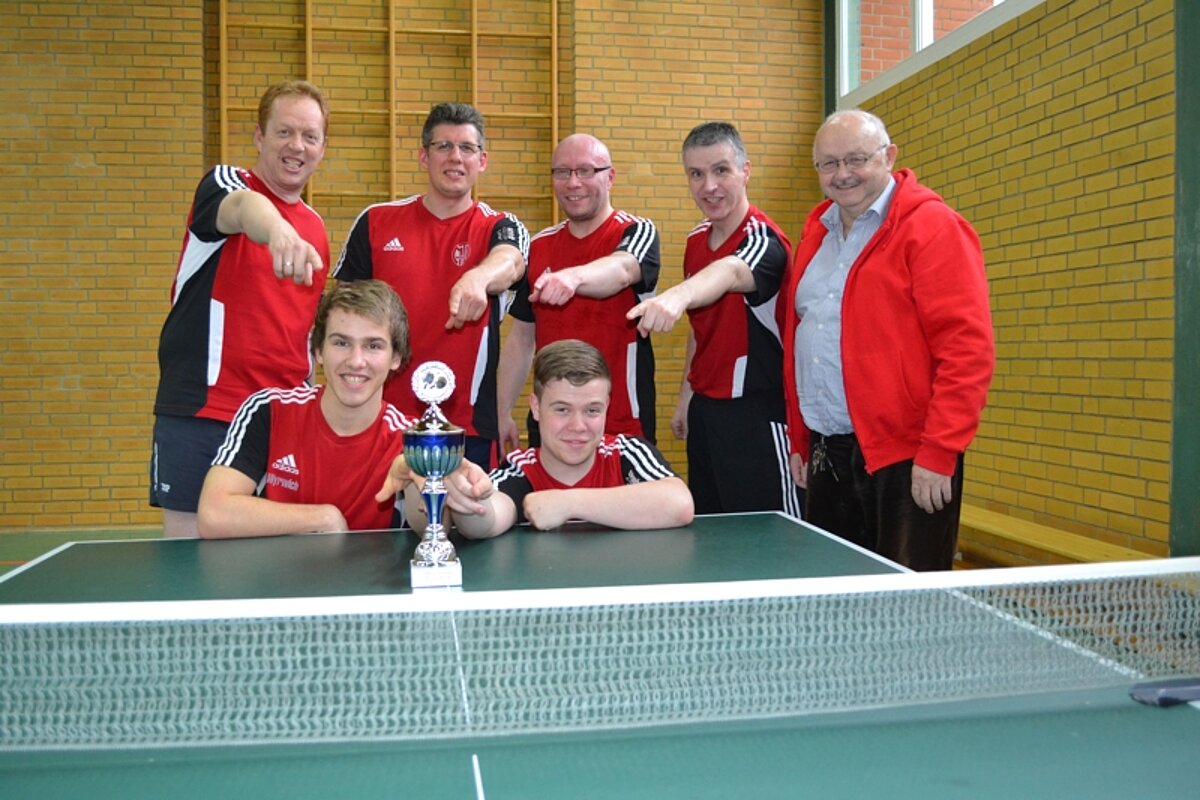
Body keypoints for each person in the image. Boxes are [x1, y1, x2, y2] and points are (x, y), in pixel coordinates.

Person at [780, 109, 994, 571]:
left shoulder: (932, 226)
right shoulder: (816, 232)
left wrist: (940, 452)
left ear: (889, 156)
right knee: (835, 597)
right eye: (828, 164)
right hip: (828, 452)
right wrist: (800, 437)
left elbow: (967, 350)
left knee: (907, 601)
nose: (842, 174)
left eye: (856, 159)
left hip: (908, 458)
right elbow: (802, 343)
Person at [150, 80, 333, 539]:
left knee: (272, 559)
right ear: (259, 136)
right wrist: (278, 230)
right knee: (189, 557)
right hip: (205, 410)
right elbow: (244, 208)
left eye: (310, 136)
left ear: (322, 148)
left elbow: (304, 337)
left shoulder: (316, 229)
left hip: (277, 420)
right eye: (284, 132)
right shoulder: (225, 184)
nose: (297, 146)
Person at [197, 280, 489, 538]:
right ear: (318, 351)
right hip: (278, 580)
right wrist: (322, 519)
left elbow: (433, 529)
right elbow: (213, 514)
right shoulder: (270, 410)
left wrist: (414, 473)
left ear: (396, 358)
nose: (356, 361)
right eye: (341, 343)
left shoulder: (412, 439)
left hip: (372, 582)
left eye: (373, 346)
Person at [334, 102, 529, 470]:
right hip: (378, 419)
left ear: (482, 160)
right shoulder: (376, 221)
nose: (455, 157)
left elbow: (511, 261)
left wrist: (477, 278)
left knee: (462, 509)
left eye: (467, 148)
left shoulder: (500, 227)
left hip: (469, 427)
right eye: (444, 146)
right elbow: (340, 320)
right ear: (424, 156)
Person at [626, 122, 802, 518]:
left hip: (757, 412)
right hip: (707, 412)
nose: (709, 186)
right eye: (696, 174)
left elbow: (732, 271)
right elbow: (701, 327)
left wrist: (677, 294)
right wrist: (687, 397)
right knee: (713, 527)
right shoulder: (695, 239)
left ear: (745, 171)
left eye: (721, 170)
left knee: (771, 536)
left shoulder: (764, 239)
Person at [496, 133, 661, 454]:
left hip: (621, 425)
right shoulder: (538, 246)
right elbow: (521, 338)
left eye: (586, 171)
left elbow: (622, 269)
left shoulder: (635, 231)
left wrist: (573, 278)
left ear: (610, 177)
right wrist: (502, 412)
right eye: (563, 172)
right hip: (551, 426)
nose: (573, 183)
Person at [441, 340, 694, 539]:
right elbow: (484, 523)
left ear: (607, 407)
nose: (578, 426)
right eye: (562, 410)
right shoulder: (520, 470)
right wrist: (467, 495)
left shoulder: (627, 452)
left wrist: (568, 503)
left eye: (592, 410)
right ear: (536, 407)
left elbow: (680, 504)